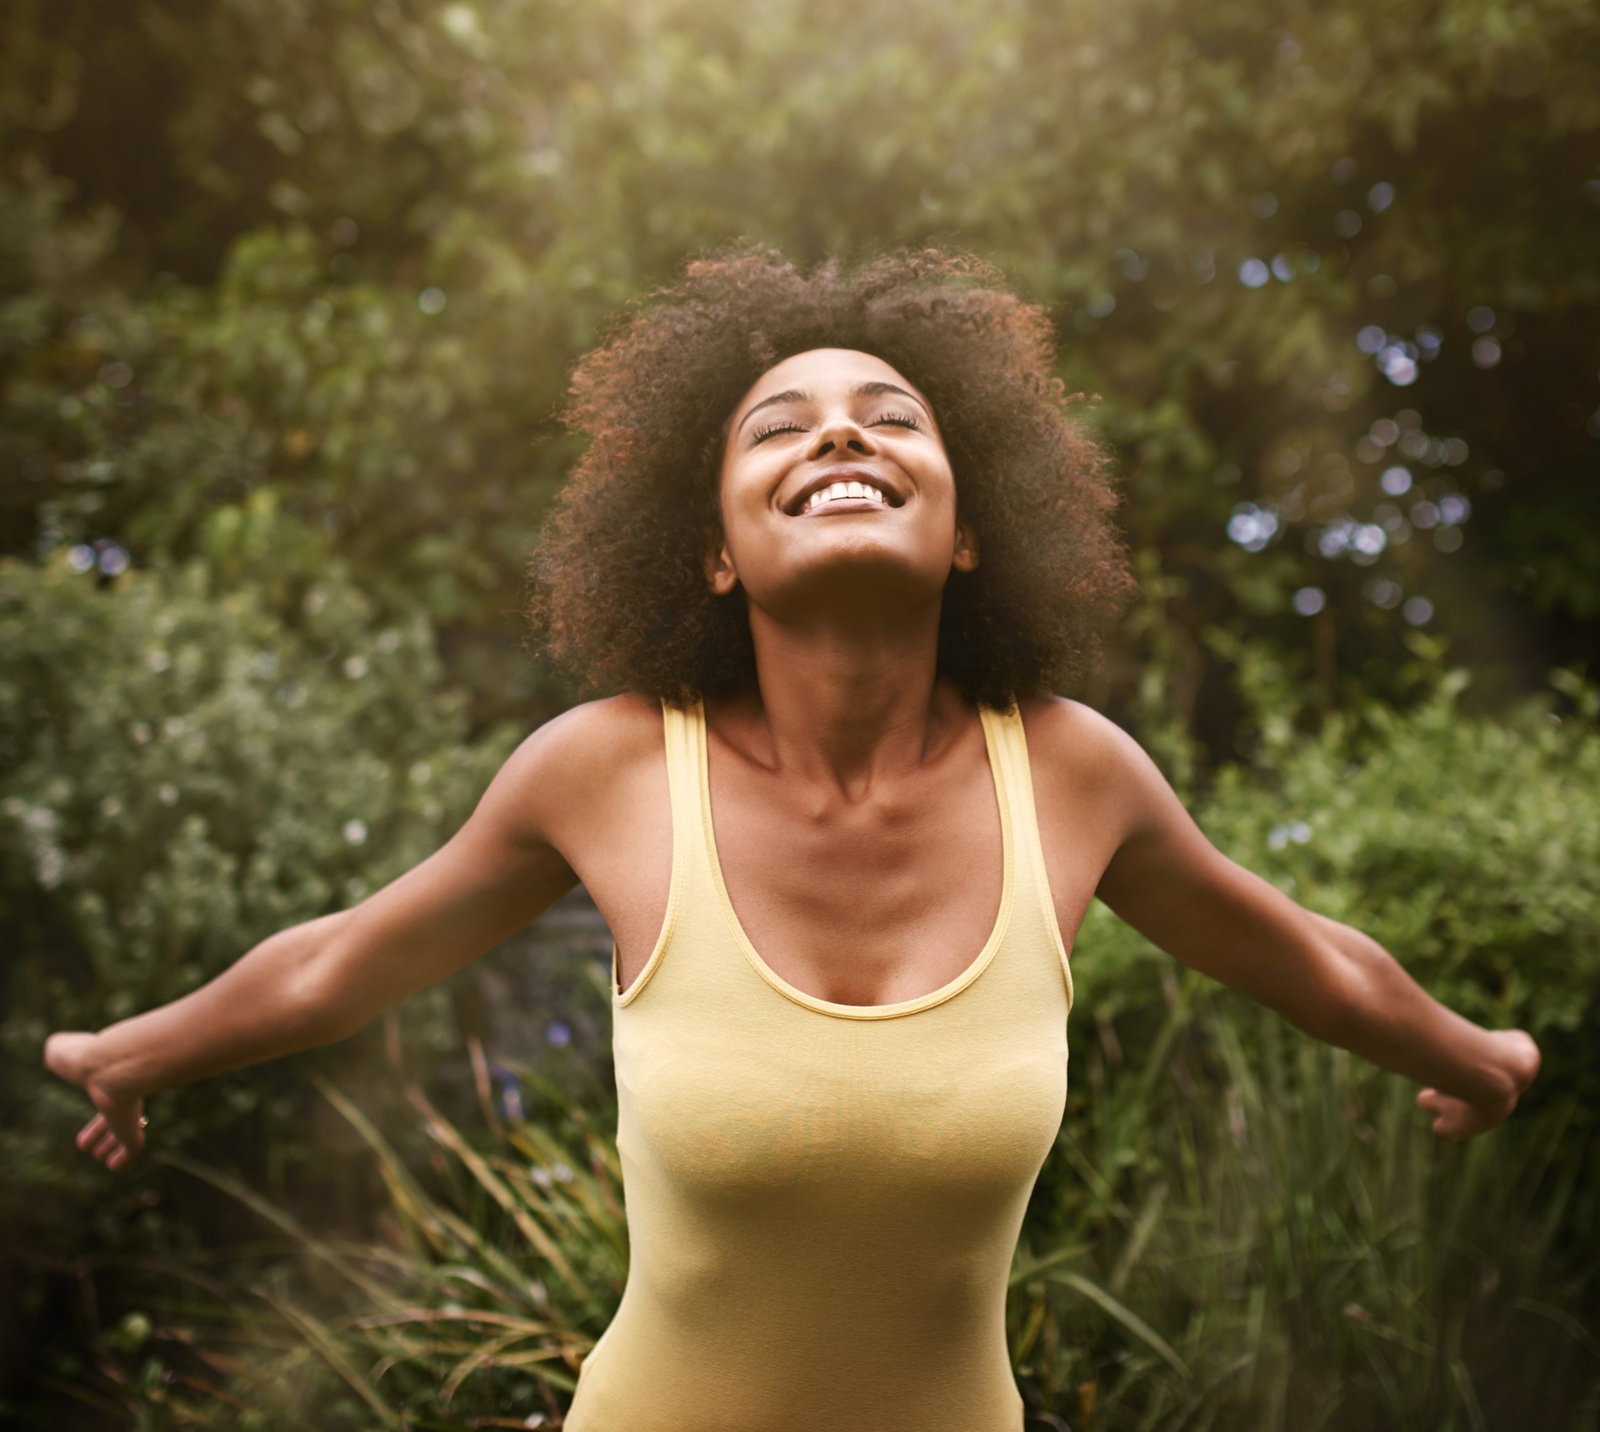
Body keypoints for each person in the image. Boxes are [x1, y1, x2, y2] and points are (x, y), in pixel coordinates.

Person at [44, 247, 1540, 1431]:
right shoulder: (610, 771)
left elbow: (1301, 957)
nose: (842, 429)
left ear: (966, 529)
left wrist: (1474, 1057)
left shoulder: (1073, 775)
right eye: (783, 422)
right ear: (709, 550)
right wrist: (137, 1050)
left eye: (895, 417)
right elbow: (342, 962)